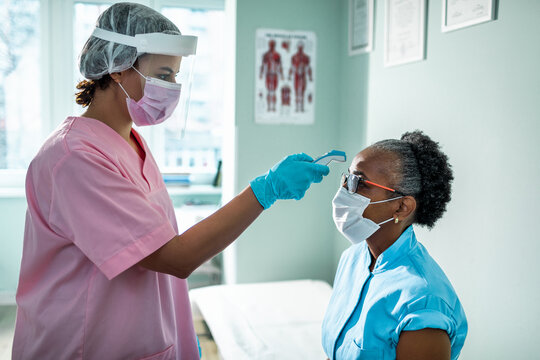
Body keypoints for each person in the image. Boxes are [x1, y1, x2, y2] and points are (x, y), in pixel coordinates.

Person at [12, 3, 329, 359]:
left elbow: (155, 254)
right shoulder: (73, 157)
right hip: (82, 346)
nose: (172, 88)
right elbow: (175, 257)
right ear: (118, 69)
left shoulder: (130, 142)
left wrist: (179, 331)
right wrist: (265, 190)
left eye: (175, 77)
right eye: (163, 75)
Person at [322, 131, 467, 360]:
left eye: (360, 183)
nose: (346, 190)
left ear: (401, 207)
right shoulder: (353, 258)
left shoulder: (422, 302)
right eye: (347, 178)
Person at [259, 39, 283, 112]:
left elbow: (280, 66)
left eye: (273, 45)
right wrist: (261, 73)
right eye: (271, 45)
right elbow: (263, 65)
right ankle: (269, 107)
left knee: (274, 91)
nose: (272, 46)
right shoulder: (265, 55)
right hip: (268, 74)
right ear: (269, 45)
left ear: (275, 45)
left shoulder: (277, 55)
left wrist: (281, 75)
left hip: (274, 74)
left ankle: (274, 107)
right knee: (269, 91)